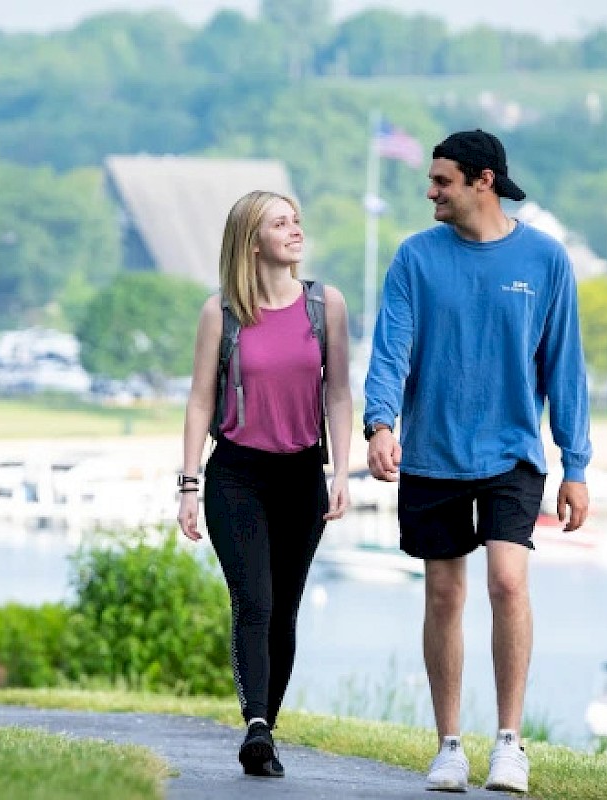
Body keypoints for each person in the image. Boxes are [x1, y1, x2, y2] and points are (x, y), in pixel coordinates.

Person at [363, 129, 591, 794]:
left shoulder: (546, 260)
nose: (430, 192)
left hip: (512, 453)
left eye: (442, 182)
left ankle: (510, 744)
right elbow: (389, 349)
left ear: (483, 181)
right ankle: (449, 746)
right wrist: (381, 423)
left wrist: (576, 464)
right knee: (443, 593)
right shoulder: (414, 259)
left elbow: (566, 368)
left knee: (507, 584)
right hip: (433, 452)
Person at [177, 189, 352, 778]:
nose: (295, 230)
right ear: (253, 241)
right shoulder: (221, 313)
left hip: (302, 474)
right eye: (281, 223)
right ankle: (255, 725)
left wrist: (341, 471)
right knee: (254, 602)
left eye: (297, 219)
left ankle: (266, 729)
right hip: (236, 476)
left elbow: (338, 392)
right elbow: (201, 398)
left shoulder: (325, 306)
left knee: (285, 613)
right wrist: (188, 484)